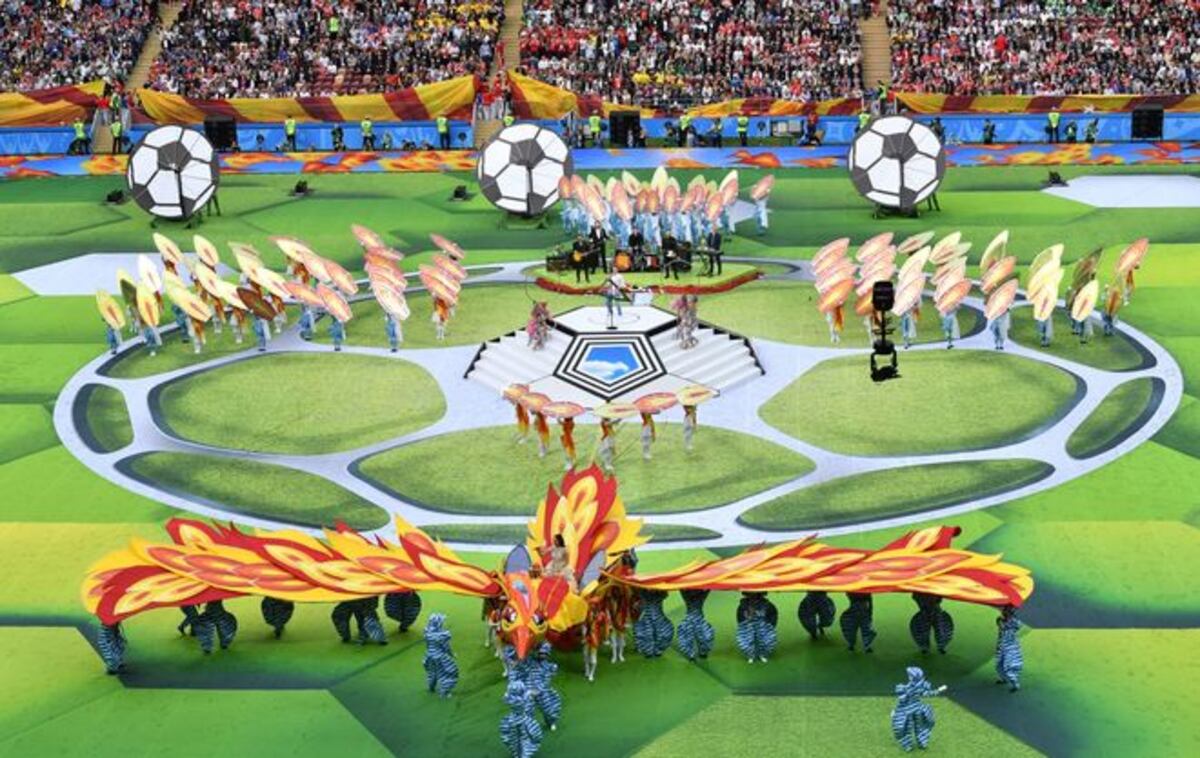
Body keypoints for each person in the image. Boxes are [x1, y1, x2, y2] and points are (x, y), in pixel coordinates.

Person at [890, 667, 947, 752]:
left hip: (908, 711)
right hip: (918, 709)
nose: (909, 676)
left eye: (909, 675)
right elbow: (929, 693)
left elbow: (902, 701)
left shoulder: (906, 688)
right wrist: (939, 690)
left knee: (904, 727)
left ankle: (908, 745)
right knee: (920, 726)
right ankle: (921, 742)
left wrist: (896, 711)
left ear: (912, 676)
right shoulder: (919, 686)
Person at [500, 679, 543, 758]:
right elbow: (535, 692)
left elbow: (504, 698)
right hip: (523, 720)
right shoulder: (522, 698)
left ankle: (518, 753)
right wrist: (533, 691)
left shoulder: (509, 698)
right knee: (525, 736)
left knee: (514, 736)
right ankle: (523, 754)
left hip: (512, 719)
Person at [736, 592, 778, 663]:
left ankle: (763, 654)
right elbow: (740, 616)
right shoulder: (743, 605)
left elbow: (773, 614)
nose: (753, 596)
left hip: (762, 625)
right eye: (751, 594)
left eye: (756, 594)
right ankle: (750, 655)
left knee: (765, 639)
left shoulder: (767, 604)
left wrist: (770, 624)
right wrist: (743, 624)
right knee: (747, 640)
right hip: (748, 625)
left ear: (761, 594)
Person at [423, 613, 458, 697]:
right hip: (440, 657)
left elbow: (428, 645)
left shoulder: (428, 633)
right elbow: (446, 647)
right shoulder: (442, 635)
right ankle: (444, 691)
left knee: (432, 672)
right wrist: (452, 654)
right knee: (449, 671)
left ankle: (431, 686)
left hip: (429, 655)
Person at [676, 589, 714, 662]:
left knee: (706, 636)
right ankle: (691, 654)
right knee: (687, 636)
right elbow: (682, 589)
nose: (693, 592)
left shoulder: (701, 596)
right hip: (690, 619)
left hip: (698, 619)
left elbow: (707, 589)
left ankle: (702, 652)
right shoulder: (686, 595)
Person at [633, 588, 674, 657]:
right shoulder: (644, 593)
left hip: (656, 615)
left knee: (660, 632)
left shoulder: (659, 593)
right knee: (648, 632)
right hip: (650, 615)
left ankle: (656, 650)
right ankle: (649, 650)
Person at [995, 605, 1024, 692]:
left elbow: (1015, 626)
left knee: (1009, 665)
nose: (1004, 612)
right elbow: (1001, 626)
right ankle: (1003, 679)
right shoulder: (1001, 620)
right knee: (999, 663)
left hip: (1010, 646)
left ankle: (1015, 684)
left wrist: (1005, 621)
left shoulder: (1014, 622)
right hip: (1002, 646)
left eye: (1006, 611)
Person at [582, 595, 609, 681]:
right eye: (591, 604)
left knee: (593, 657)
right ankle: (587, 669)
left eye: (594, 604)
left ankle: (591, 673)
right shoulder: (588, 613)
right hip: (587, 636)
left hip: (595, 638)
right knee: (585, 654)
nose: (592, 606)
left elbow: (606, 627)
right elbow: (585, 624)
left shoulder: (602, 615)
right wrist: (583, 635)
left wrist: (605, 637)